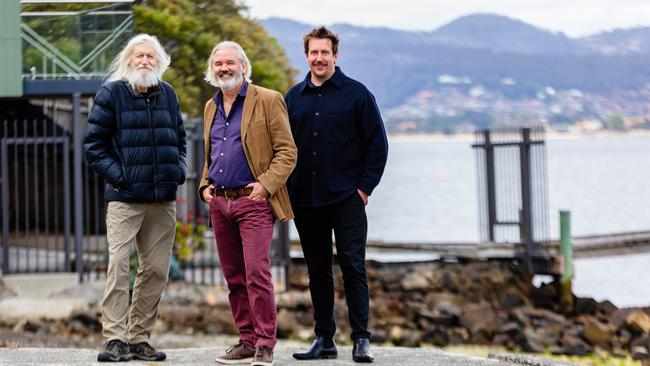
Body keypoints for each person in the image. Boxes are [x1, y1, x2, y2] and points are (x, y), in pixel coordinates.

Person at [285, 26, 388, 363]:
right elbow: (283, 147)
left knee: (353, 267)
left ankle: (361, 339)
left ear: (335, 55)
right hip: (306, 200)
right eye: (313, 53)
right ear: (306, 56)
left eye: (324, 53)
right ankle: (324, 339)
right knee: (317, 270)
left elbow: (377, 145)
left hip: (347, 198)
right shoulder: (292, 98)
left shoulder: (358, 95)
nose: (319, 58)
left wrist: (363, 189)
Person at [84, 33, 186, 362]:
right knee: (118, 267)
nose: (144, 60)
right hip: (125, 200)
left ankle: (139, 338)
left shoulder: (169, 95)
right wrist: (122, 176)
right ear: (128, 61)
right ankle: (114, 339)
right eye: (138, 56)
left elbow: (181, 141)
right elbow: (93, 147)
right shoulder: (111, 93)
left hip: (162, 200)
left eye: (151, 56)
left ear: (159, 62)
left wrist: (178, 170)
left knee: (156, 270)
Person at [198, 41, 297, 366]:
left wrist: (265, 186)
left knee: (257, 273)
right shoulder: (210, 106)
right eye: (218, 64)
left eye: (229, 63)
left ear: (243, 66)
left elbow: (287, 152)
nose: (223, 68)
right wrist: (203, 186)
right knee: (234, 277)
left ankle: (265, 344)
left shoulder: (268, 100)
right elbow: (212, 154)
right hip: (220, 204)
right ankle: (246, 339)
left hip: (253, 202)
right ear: (212, 70)